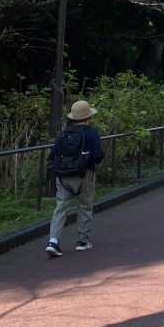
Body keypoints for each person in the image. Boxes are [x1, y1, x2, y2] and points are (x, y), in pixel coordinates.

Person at [46, 100, 105, 257]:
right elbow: (99, 155)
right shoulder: (91, 133)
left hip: (63, 176)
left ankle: (53, 241)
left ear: (73, 117)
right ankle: (82, 241)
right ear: (88, 117)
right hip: (84, 175)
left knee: (61, 207)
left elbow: (52, 155)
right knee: (85, 206)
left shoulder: (63, 134)